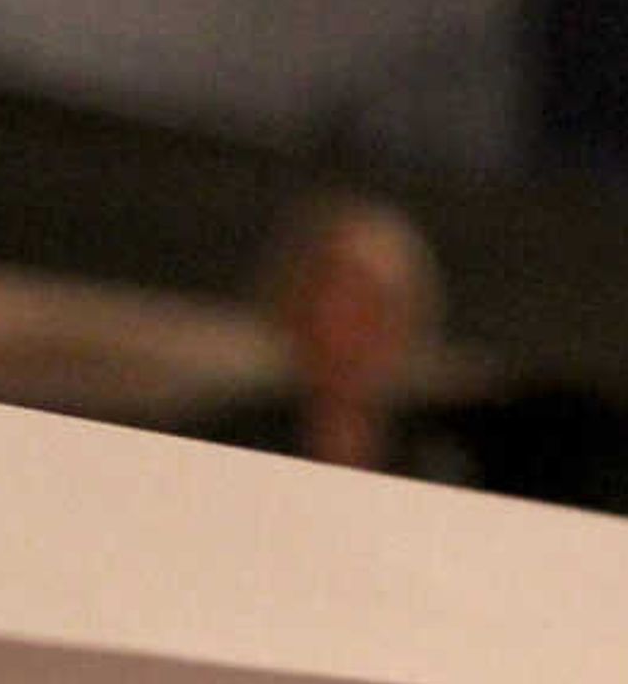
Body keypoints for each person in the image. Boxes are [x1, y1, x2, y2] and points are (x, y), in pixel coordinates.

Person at [201, 194, 477, 487]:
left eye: (372, 313)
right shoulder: (222, 448)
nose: (343, 339)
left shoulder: (441, 471)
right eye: (328, 308)